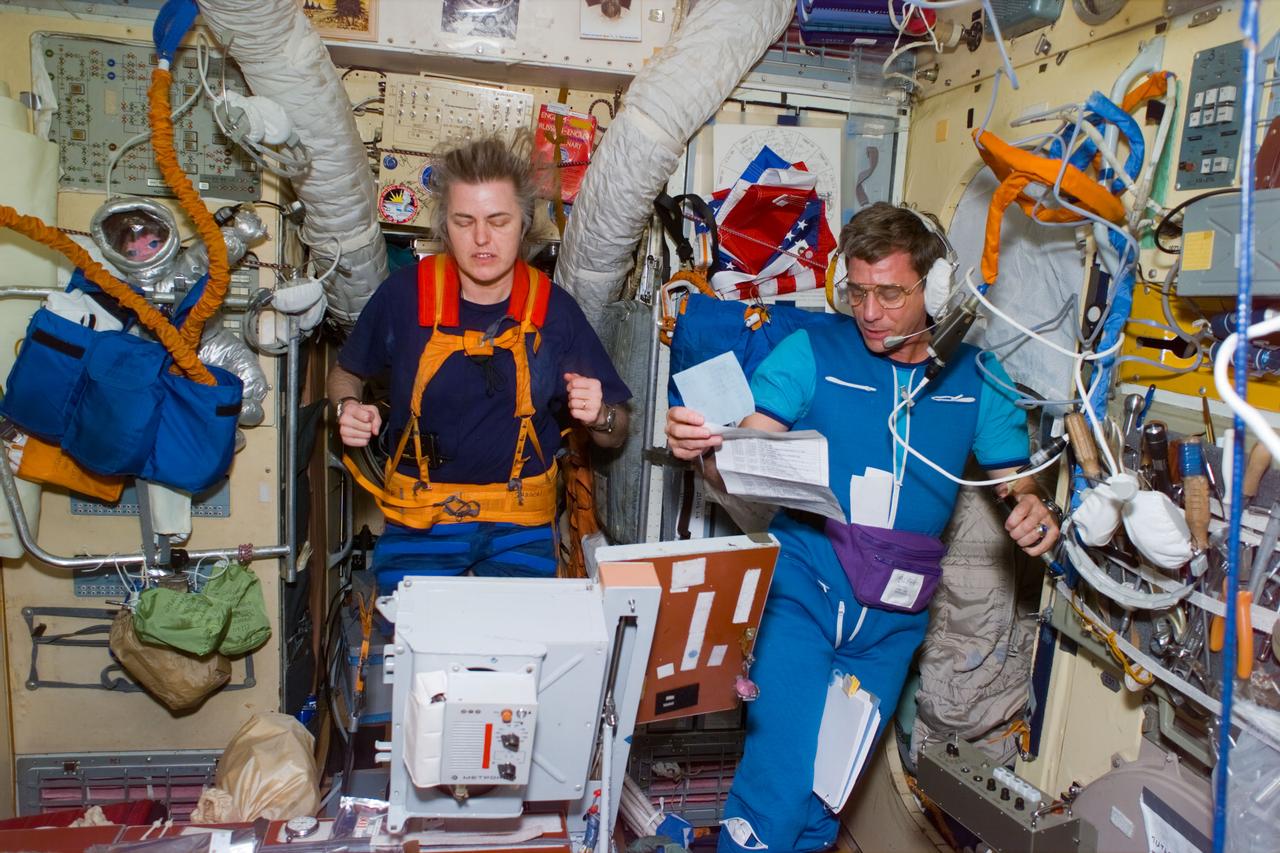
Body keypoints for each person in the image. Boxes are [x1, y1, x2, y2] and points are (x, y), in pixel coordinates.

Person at [665, 203, 1060, 853]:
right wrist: (708, 451)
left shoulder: (976, 377)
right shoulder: (811, 350)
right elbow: (742, 460)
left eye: (890, 293)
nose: (870, 311)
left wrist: (1032, 505)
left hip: (895, 618)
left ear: (933, 290)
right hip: (806, 587)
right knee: (780, 780)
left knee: (828, 792)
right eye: (858, 291)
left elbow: (1015, 476)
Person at [329, 136, 630, 588]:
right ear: (445, 227)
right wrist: (345, 408)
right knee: (417, 653)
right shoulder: (404, 296)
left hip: (521, 525)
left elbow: (618, 430)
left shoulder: (554, 310)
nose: (482, 238)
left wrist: (601, 414)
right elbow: (345, 373)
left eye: (498, 220)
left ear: (524, 223)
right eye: (464, 221)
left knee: (519, 654)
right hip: (420, 520)